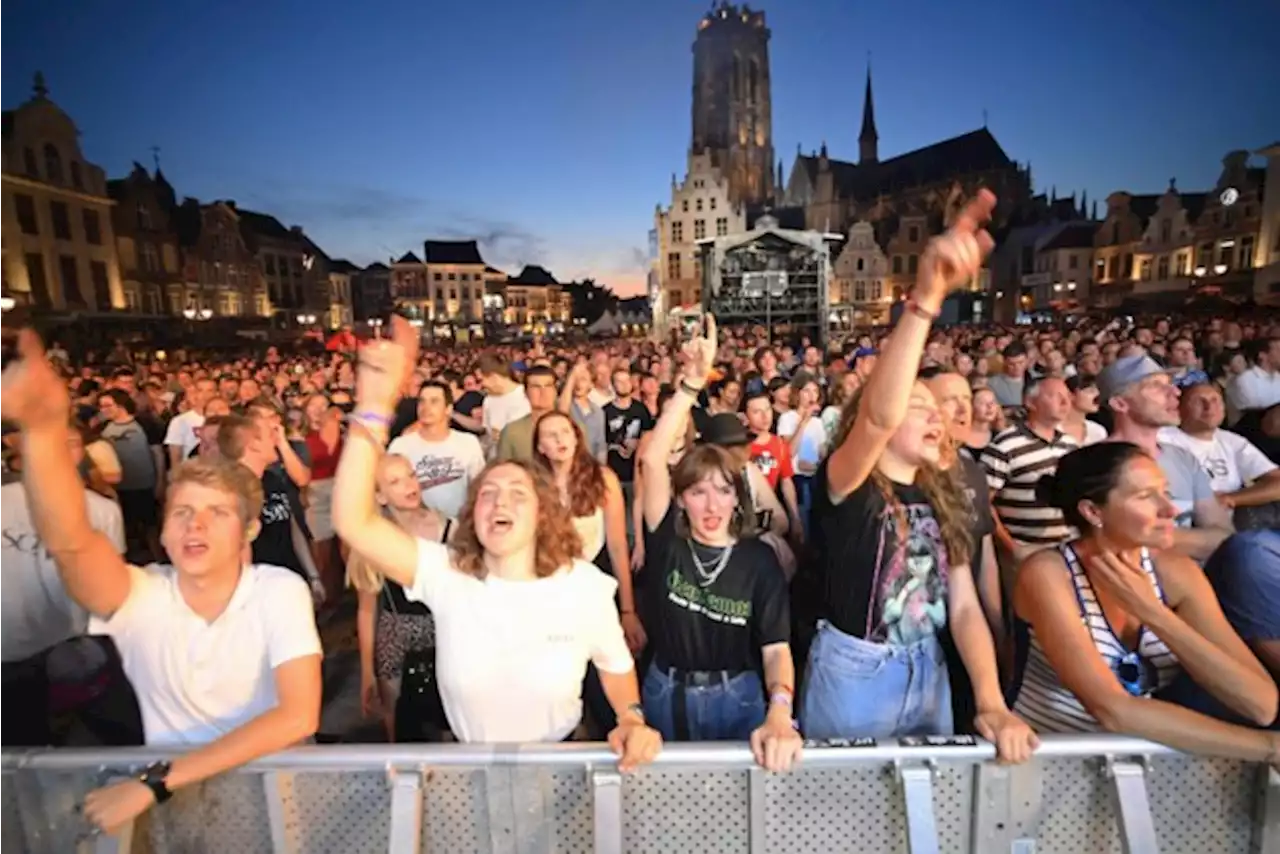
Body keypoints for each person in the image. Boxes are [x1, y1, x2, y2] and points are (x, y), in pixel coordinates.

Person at [0, 330, 322, 836]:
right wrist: (42, 431)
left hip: (276, 807)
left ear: (250, 530)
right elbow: (72, 543)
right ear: (164, 532)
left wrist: (157, 782)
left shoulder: (277, 590)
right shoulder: (143, 594)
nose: (195, 525)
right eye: (182, 513)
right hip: (187, 819)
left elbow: (297, 716)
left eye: (217, 513)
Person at [331, 317, 661, 768]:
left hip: (559, 767)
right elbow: (353, 522)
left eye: (517, 493)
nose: (499, 500)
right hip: (467, 769)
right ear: (473, 515)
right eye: (487, 493)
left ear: (543, 514)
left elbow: (616, 664)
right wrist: (372, 407)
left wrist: (631, 716)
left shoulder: (584, 585)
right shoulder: (446, 572)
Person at [801, 191, 1036, 761]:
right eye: (921, 405)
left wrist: (990, 700)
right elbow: (879, 414)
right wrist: (927, 296)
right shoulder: (847, 482)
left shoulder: (946, 492)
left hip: (926, 663)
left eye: (938, 409)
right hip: (856, 673)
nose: (938, 417)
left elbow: (961, 606)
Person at [1012, 442, 1280, 760]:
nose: (1170, 510)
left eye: (1165, 492)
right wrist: (1268, 748)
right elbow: (1112, 710)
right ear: (1093, 512)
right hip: (1052, 762)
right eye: (1145, 496)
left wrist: (1154, 613)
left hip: (1149, 765)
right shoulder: (1048, 574)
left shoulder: (1175, 574)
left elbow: (1261, 704)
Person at [637, 315, 802, 773]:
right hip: (666, 690)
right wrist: (690, 384)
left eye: (723, 490)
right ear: (681, 498)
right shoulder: (667, 540)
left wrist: (780, 709)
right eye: (697, 491)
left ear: (738, 495)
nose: (711, 504)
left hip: (738, 692)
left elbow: (776, 649)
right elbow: (652, 458)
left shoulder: (758, 560)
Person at [350, 454, 453, 741]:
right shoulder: (375, 540)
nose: (409, 484)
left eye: (410, 475)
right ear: (380, 496)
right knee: (399, 727)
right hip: (396, 639)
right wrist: (367, 672)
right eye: (395, 481)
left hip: (445, 632)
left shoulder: (449, 528)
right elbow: (366, 610)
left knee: (448, 720)